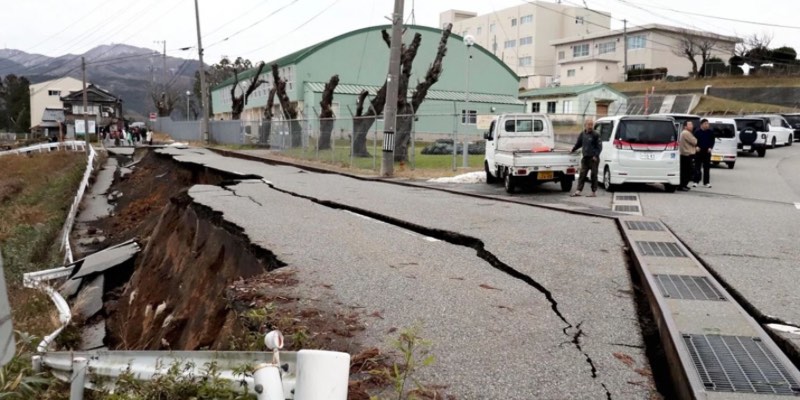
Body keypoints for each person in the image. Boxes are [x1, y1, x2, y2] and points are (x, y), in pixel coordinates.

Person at [570, 119, 602, 197]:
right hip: (585, 158)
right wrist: (573, 149)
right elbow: (578, 144)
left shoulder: (596, 135)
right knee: (582, 175)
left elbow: (599, 147)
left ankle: (593, 192)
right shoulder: (582, 134)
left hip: (593, 159)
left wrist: (595, 155)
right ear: (585, 125)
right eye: (589, 124)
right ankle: (578, 191)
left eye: (592, 124)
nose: (590, 126)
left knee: (593, 175)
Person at [693, 119, 715, 188]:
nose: (707, 125)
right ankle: (696, 181)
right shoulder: (697, 132)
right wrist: (696, 147)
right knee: (697, 167)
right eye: (705, 123)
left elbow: (712, 141)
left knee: (707, 168)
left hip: (707, 151)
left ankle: (706, 182)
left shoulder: (710, 132)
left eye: (707, 124)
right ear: (701, 124)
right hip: (699, 151)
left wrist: (710, 147)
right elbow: (694, 141)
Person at [678, 120, 697, 191]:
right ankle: (682, 185)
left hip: (685, 154)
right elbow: (695, 141)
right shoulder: (686, 133)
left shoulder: (686, 133)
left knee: (686, 171)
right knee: (686, 171)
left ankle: (684, 185)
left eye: (692, 124)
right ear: (685, 126)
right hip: (686, 155)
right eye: (690, 125)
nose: (692, 126)